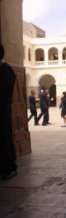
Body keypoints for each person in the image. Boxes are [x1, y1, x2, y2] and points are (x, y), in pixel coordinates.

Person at [0, 44, 17, 180]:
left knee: (4, 139)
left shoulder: (6, 70)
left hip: (2, 111)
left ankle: (9, 168)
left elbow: (5, 94)